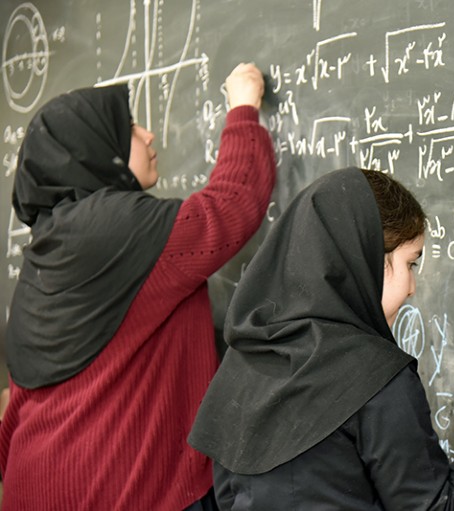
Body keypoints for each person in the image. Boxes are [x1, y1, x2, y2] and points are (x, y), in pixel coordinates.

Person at [188, 167, 454, 510]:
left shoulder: (244, 361)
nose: (412, 288)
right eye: (411, 263)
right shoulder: (373, 377)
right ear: (364, 262)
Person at [0, 63, 275, 510]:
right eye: (129, 128)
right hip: (115, 488)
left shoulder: (48, 250)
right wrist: (243, 107)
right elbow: (231, 207)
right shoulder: (116, 228)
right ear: (95, 149)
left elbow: (22, 400)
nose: (149, 136)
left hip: (35, 484)